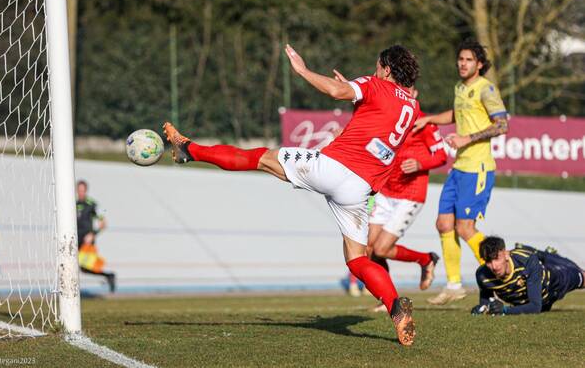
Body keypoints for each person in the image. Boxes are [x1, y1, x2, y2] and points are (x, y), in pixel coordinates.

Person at [163, 43, 420, 346]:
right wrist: (352, 93)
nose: (375, 70)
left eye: (378, 66)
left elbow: (338, 92)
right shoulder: (412, 107)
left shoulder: (373, 84)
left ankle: (187, 149)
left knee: (256, 157)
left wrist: (303, 71)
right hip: (360, 189)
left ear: (387, 68)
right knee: (357, 259)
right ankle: (394, 307)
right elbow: (375, 123)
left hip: (333, 168)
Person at [413, 38, 508, 305]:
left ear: (479, 64)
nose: (462, 64)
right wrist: (430, 119)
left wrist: (467, 139)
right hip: (459, 168)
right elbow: (457, 115)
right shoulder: (459, 87)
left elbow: (502, 125)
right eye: (460, 59)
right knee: (443, 224)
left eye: (468, 60)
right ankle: (454, 285)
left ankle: (503, 279)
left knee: (465, 228)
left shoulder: (486, 88)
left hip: (477, 169)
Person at [367, 101, 448, 311]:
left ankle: (426, 259)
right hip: (386, 192)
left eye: (408, 90)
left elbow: (441, 156)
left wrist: (420, 164)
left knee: (382, 248)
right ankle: (387, 298)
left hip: (410, 195)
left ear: (415, 94)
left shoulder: (424, 123)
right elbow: (378, 148)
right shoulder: (387, 118)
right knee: (369, 249)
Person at [472, 236, 584, 315]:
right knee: (543, 308)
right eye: (488, 261)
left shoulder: (526, 262)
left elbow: (535, 306)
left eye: (496, 259)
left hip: (554, 284)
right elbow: (486, 305)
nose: (494, 266)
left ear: (506, 254)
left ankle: (544, 254)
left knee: (580, 274)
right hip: (541, 305)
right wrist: (481, 310)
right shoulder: (482, 275)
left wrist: (504, 310)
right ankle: (546, 254)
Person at [76, 180, 116, 293]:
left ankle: (109, 276)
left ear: (86, 190)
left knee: (85, 267)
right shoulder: (74, 204)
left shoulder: (92, 205)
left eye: (83, 190)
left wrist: (92, 234)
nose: (81, 192)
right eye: (79, 190)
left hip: (87, 242)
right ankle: (108, 276)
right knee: (79, 268)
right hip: (75, 241)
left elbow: (103, 223)